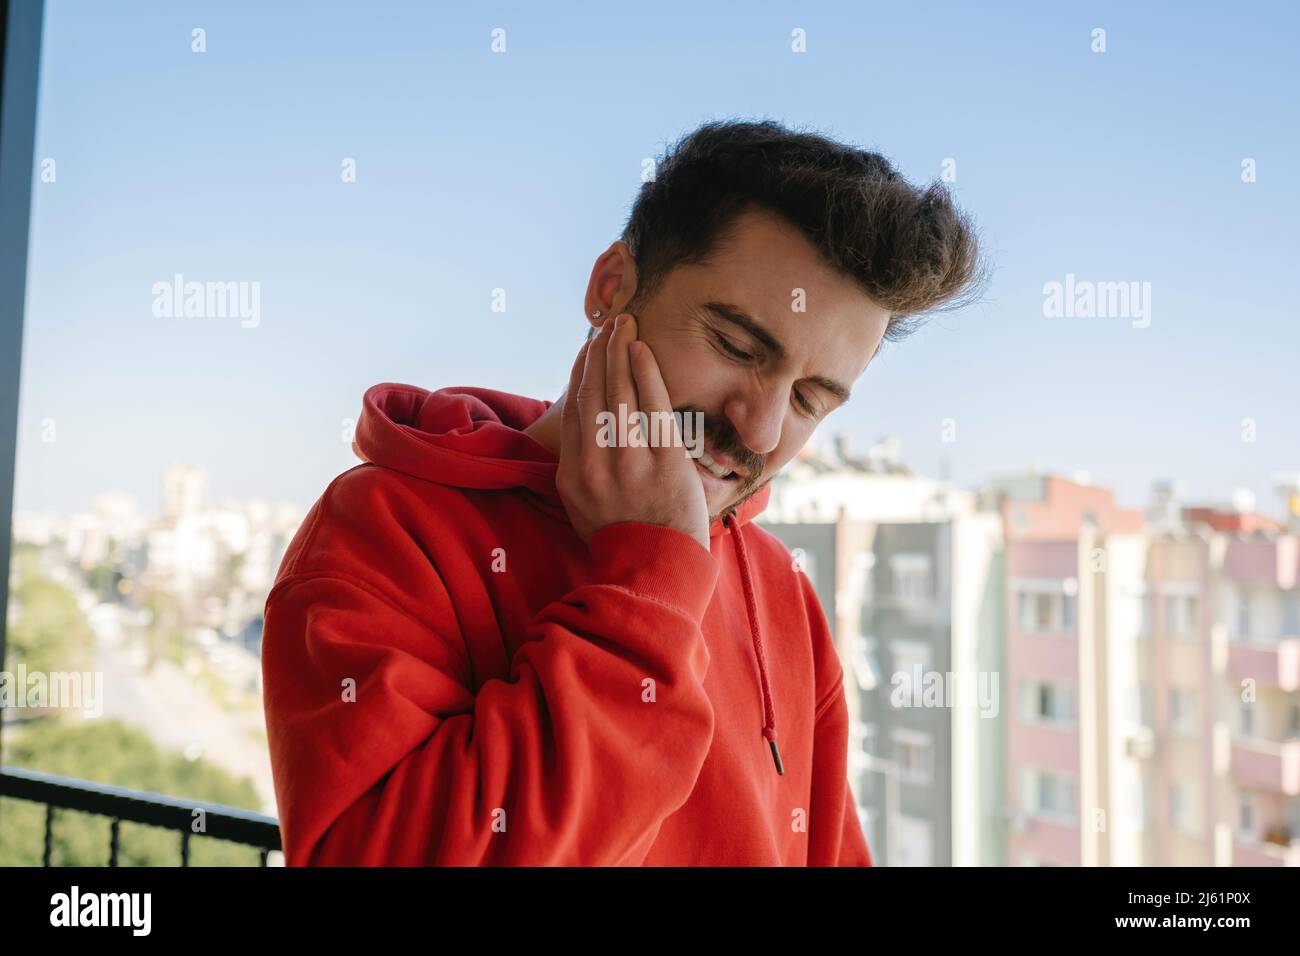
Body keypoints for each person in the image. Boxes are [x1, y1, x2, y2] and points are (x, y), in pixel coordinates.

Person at [261, 118, 981, 865]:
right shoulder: (382, 531)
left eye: (809, 399)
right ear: (612, 289)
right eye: (736, 347)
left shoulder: (781, 591)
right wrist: (648, 586)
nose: (761, 429)